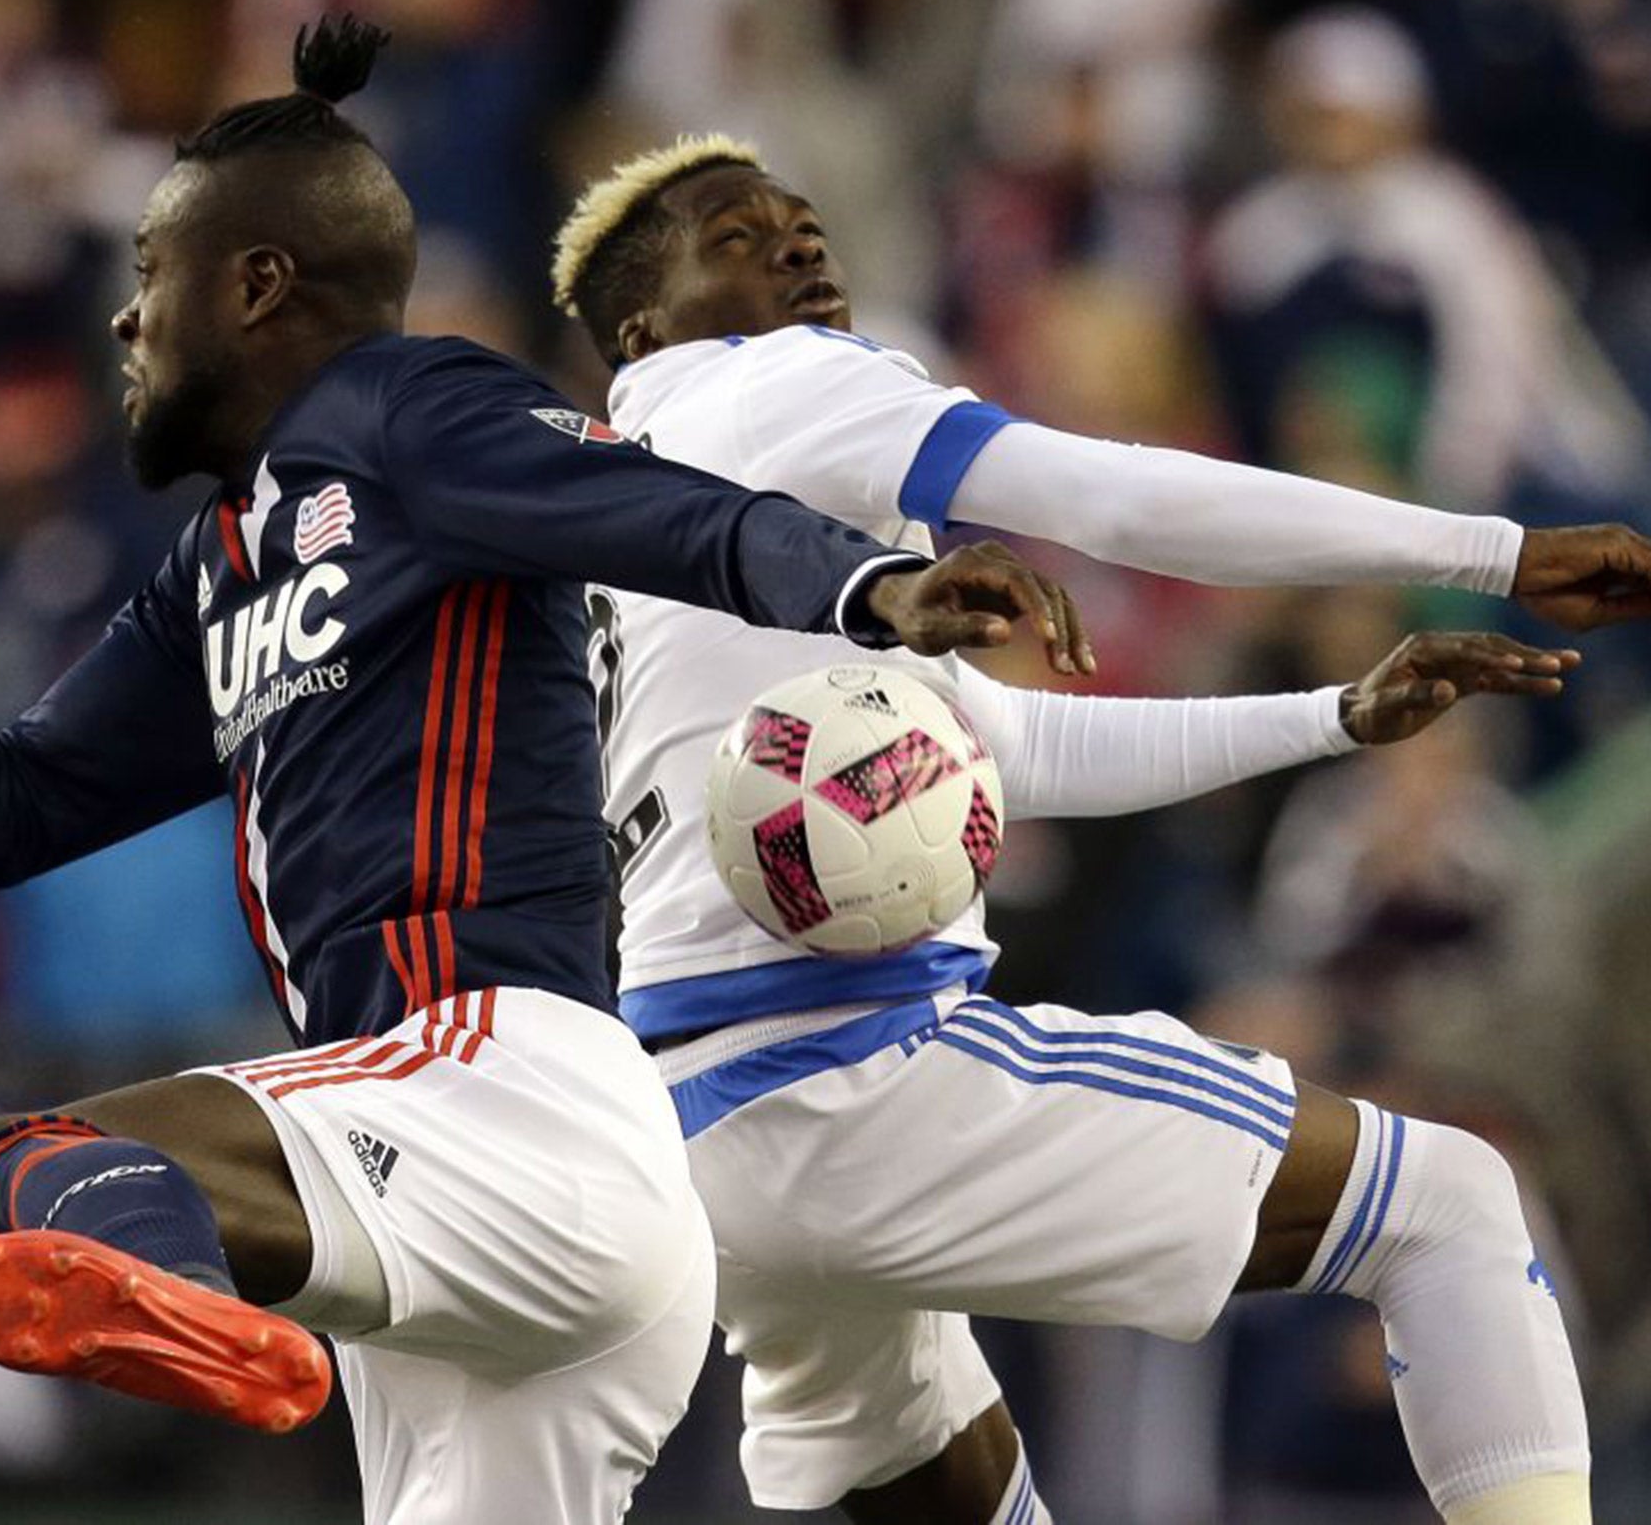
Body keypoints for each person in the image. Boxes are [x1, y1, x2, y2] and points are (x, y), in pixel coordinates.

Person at [0, 29, 1086, 1524]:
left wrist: (866, 589)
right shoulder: (215, 570)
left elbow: (649, 507)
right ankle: (194, 1282)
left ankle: (187, 1290)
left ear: (258, 285)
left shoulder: (405, 413)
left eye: (150, 271)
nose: (120, 319)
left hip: (505, 1088)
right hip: (472, 1231)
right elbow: (7, 812)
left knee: (48, 1159)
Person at [551, 134, 1641, 1524]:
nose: (798, 248)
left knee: (955, 1485)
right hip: (855, 1062)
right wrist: (1494, 553)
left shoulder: (612, 521)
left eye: (803, 223)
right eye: (739, 236)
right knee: (1452, 1203)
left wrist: (1328, 719)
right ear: (644, 323)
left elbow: (1000, 753)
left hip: (708, 1127)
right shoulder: (780, 385)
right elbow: (1119, 498)